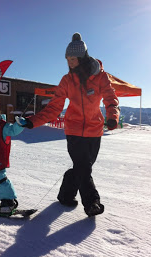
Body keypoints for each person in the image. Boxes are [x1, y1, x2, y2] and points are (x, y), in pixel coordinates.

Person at [20, 32, 120, 217]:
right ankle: (92, 203)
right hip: (74, 130)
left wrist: (112, 116)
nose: (69, 62)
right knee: (83, 167)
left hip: (94, 130)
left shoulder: (100, 77)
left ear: (82, 58)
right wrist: (32, 122)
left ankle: (66, 196)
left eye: (73, 59)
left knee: (83, 167)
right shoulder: (67, 80)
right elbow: (54, 108)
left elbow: (110, 98)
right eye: (67, 59)